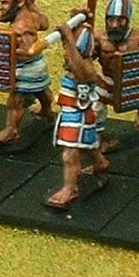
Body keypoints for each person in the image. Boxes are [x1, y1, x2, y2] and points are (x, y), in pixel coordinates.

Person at [46, 21, 110, 208]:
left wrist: (68, 40)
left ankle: (70, 188)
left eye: (69, 48)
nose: (65, 53)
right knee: (87, 144)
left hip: (78, 115)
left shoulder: (85, 69)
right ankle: (100, 162)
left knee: (70, 155)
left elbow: (81, 71)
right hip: (69, 113)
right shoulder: (73, 63)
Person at [0, 0, 52, 145]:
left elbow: (28, 51)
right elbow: (44, 24)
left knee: (15, 100)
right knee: (41, 90)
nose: (0, 7)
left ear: (18, 3)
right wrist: (31, 3)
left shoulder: (21, 27)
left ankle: (12, 130)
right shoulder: (31, 15)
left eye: (4, 3)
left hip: (27, 67)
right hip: (36, 65)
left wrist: (2, 48)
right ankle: (47, 112)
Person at [93, 0, 139, 140]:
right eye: (111, 20)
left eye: (120, 20)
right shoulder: (98, 37)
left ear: (128, 20)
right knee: (94, 108)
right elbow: (86, 59)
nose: (114, 25)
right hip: (106, 81)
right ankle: (98, 141)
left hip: (131, 84)